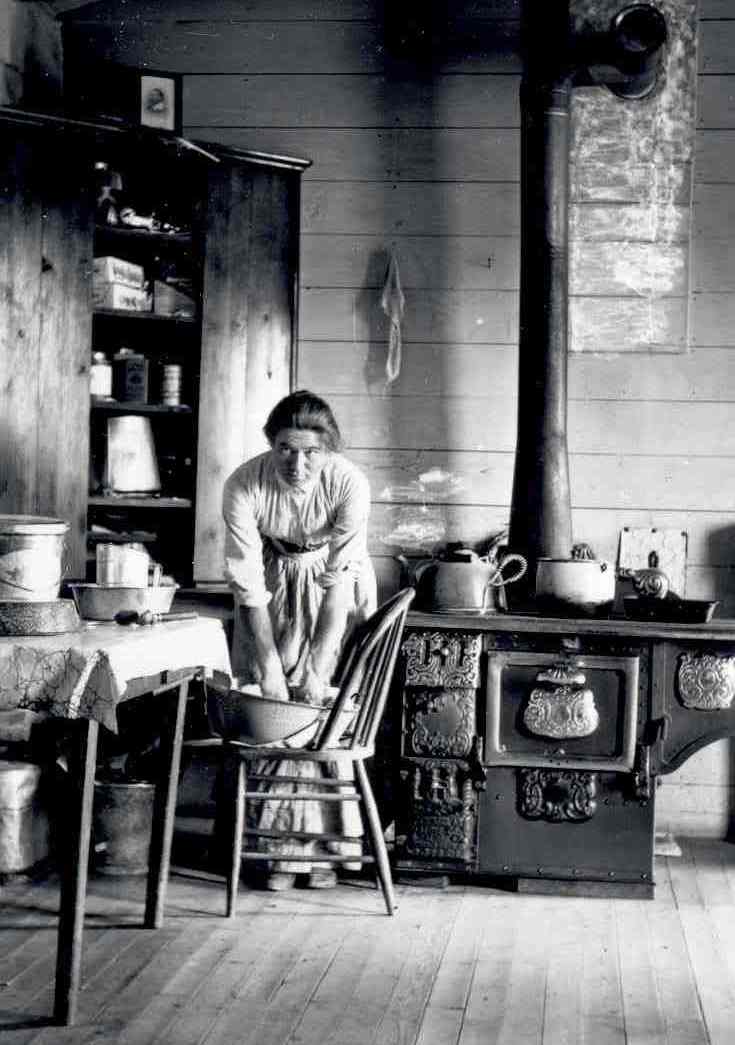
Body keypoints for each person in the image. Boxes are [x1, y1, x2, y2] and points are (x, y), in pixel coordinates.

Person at [222, 389, 377, 890]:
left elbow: (339, 586)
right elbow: (248, 588)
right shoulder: (245, 484)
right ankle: (277, 854)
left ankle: (328, 854)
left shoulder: (348, 482)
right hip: (271, 583)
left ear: (328, 450)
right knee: (273, 706)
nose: (298, 463)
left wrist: (318, 667)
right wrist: (270, 671)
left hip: (335, 585)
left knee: (319, 707)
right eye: (286, 448)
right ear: (271, 444)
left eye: (311, 451)